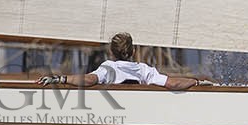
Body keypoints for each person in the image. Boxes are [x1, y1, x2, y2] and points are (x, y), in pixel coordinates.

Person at [38, 32, 213, 91]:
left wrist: (60, 79)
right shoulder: (145, 70)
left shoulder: (108, 68)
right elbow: (173, 84)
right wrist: (196, 81)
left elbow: (90, 80)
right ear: (134, 51)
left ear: (111, 52)